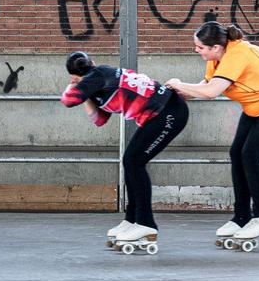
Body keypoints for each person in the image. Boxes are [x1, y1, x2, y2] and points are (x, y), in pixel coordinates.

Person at [164, 22, 259, 250]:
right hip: (258, 105)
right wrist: (177, 93)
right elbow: (207, 85)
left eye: (200, 47)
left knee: (251, 155)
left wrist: (180, 84)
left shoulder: (238, 53)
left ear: (215, 47)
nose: (196, 50)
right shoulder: (216, 58)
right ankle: (242, 217)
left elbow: (211, 92)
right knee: (237, 154)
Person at [62, 51, 189, 253]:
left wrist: (74, 87)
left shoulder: (96, 75)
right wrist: (86, 95)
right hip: (162, 113)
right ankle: (132, 220)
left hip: (169, 112)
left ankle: (146, 224)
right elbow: (99, 120)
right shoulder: (99, 80)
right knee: (130, 161)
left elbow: (68, 100)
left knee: (134, 162)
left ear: (75, 77)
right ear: (92, 61)